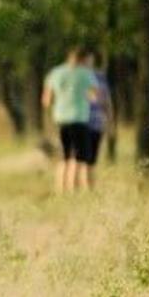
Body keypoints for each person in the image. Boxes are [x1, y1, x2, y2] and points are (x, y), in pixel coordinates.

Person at [41, 47, 97, 194]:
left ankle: (60, 190)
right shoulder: (86, 73)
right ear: (83, 59)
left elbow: (46, 100)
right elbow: (94, 96)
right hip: (79, 119)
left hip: (60, 119)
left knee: (63, 157)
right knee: (77, 157)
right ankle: (73, 190)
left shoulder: (55, 72)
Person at [80, 51, 113, 189]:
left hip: (96, 121)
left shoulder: (100, 77)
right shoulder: (76, 78)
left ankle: (89, 187)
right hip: (80, 121)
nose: (89, 62)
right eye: (86, 60)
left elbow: (106, 100)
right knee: (81, 158)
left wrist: (110, 118)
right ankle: (82, 187)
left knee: (92, 158)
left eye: (91, 59)